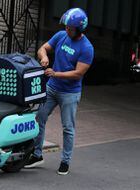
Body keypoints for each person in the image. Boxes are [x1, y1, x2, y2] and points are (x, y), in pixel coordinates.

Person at [24, 8, 94, 175]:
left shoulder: (87, 48)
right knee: (39, 118)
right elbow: (43, 48)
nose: (66, 29)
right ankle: (37, 154)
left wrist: (56, 73)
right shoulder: (61, 36)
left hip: (70, 93)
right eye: (66, 27)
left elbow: (78, 73)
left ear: (79, 29)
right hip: (52, 88)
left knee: (68, 127)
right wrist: (44, 57)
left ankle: (65, 161)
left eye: (70, 28)